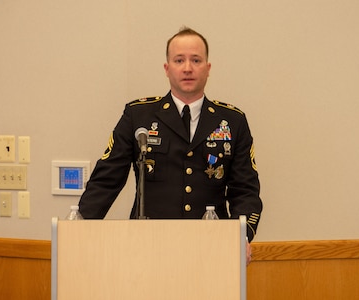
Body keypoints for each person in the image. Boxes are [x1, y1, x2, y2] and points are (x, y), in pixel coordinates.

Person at [78, 27, 263, 264]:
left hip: (212, 249)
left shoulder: (232, 121)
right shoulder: (138, 116)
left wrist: (241, 236)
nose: (187, 68)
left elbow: (245, 190)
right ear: (167, 68)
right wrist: (80, 230)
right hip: (147, 249)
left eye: (196, 60)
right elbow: (106, 180)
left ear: (208, 68)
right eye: (179, 60)